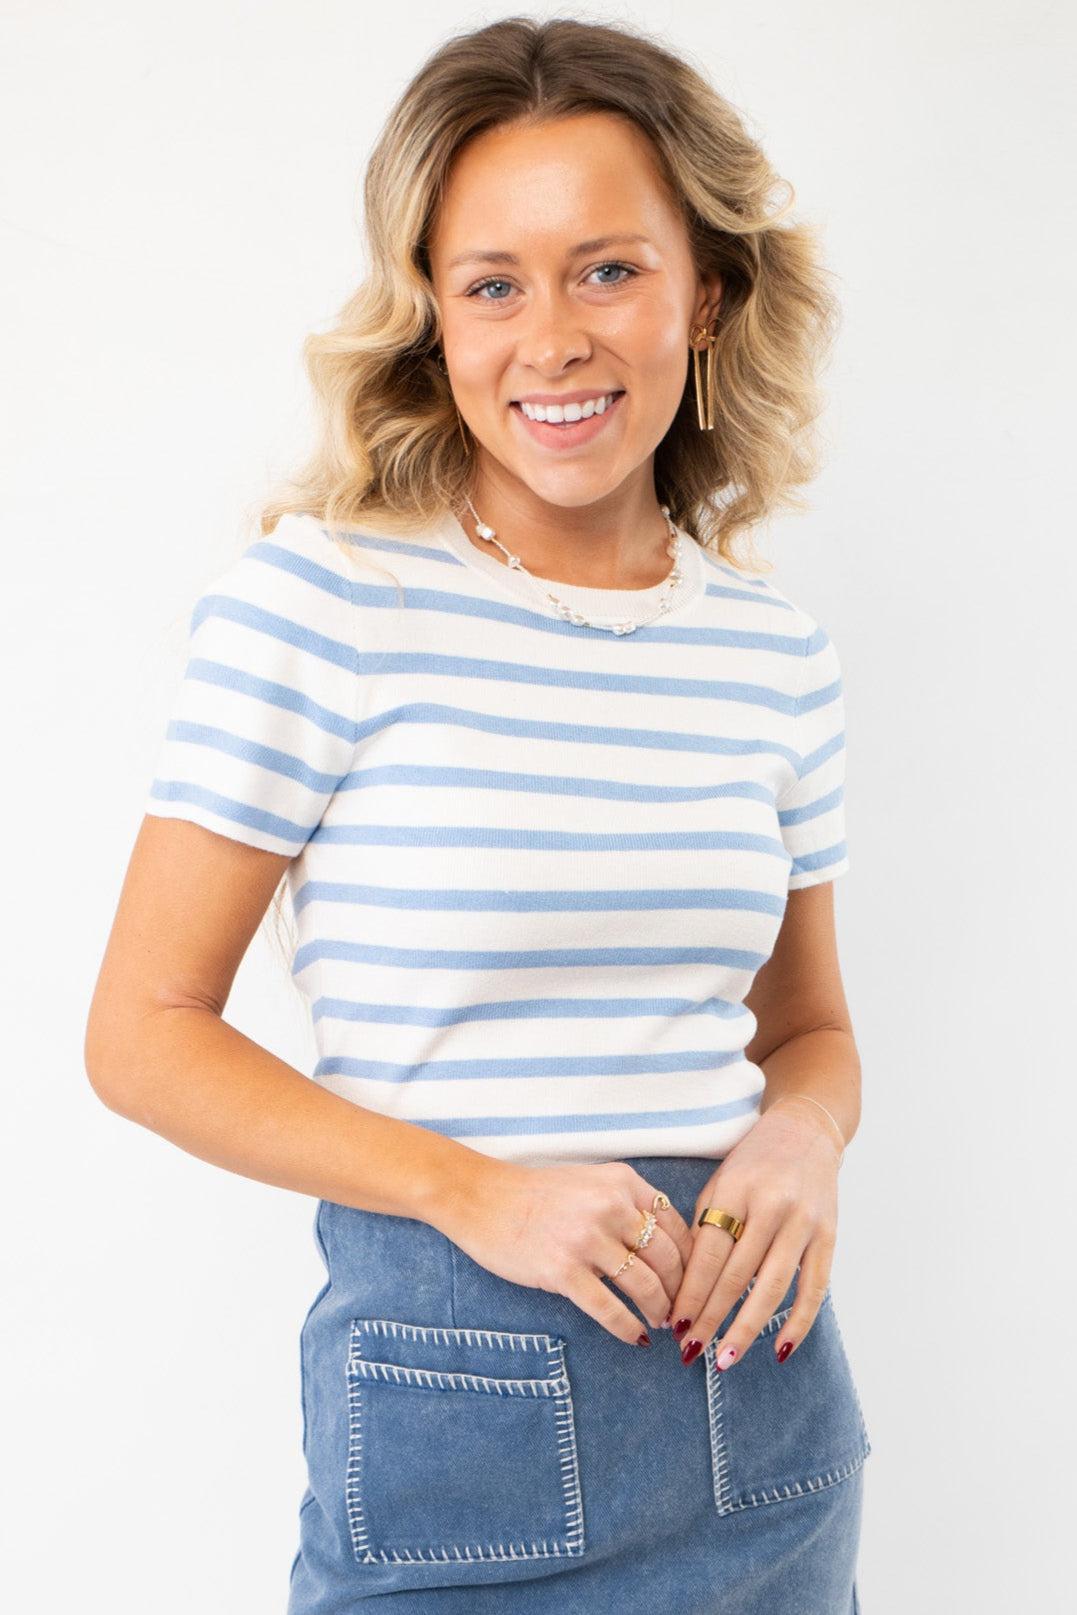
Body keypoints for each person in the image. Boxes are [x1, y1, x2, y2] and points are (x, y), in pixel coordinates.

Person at [85, 16, 871, 1613]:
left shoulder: (772, 654)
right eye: (492, 284)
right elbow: (142, 1033)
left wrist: (800, 1135)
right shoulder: (321, 601)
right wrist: (472, 1188)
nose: (553, 337)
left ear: (704, 293)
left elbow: (810, 1028)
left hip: (766, 1423)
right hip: (461, 1436)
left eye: (608, 270)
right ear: (429, 317)